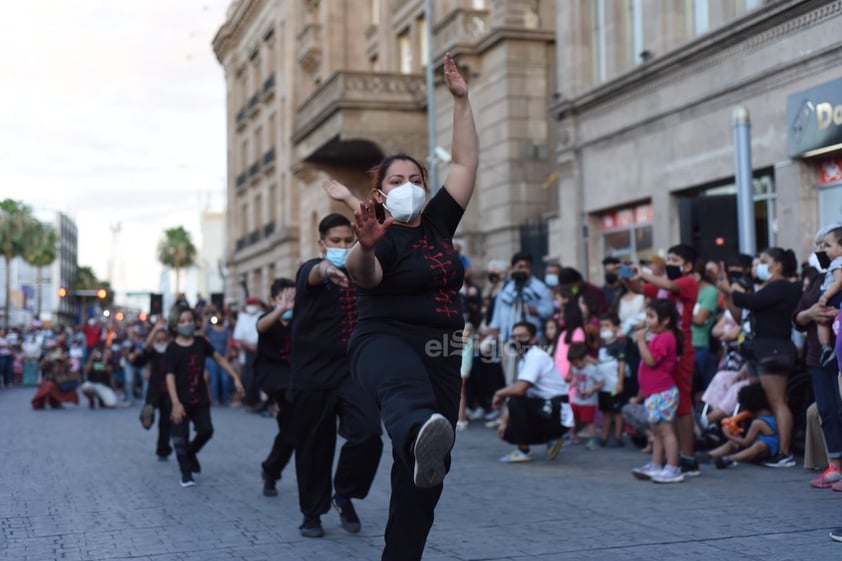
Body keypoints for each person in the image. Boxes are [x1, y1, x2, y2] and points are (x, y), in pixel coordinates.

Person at [343, 52, 478, 561]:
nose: (409, 188)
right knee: (406, 394)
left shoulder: (439, 221)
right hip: (383, 342)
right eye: (396, 182)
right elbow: (365, 275)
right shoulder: (379, 235)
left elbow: (464, 163)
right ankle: (418, 429)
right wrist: (367, 244)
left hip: (442, 349)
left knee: (427, 479)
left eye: (416, 179)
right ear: (380, 192)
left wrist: (461, 101)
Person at [290, 212, 383, 538]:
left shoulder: (364, 274)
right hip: (312, 375)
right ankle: (311, 513)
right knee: (314, 446)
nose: (343, 246)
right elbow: (316, 272)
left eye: (348, 241)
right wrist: (328, 268)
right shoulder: (309, 271)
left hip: (353, 373)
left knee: (369, 434)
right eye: (336, 242)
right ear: (322, 244)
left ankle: (343, 493)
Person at [716, 247, 802, 468]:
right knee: (759, 400)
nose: (758, 265)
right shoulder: (765, 288)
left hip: (774, 348)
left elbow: (752, 303)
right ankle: (759, 444)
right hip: (759, 349)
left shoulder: (782, 286)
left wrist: (731, 291)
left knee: (777, 400)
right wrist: (728, 294)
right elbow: (742, 313)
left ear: (778, 266)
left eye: (763, 261)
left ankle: (784, 452)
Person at [625, 244, 700, 477]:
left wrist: (643, 272)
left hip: (681, 350)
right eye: (667, 259)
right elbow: (640, 288)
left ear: (687, 266)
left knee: (683, 406)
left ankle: (686, 458)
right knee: (668, 410)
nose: (669, 263)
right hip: (664, 347)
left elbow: (668, 284)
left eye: (675, 259)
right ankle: (667, 459)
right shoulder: (660, 285)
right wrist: (628, 276)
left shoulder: (688, 282)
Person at [164, 306, 243, 487]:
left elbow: (219, 358)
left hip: (200, 398)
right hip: (179, 400)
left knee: (206, 430)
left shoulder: (201, 342)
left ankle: (190, 454)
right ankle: (186, 473)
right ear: (175, 325)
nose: (187, 324)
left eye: (190, 320)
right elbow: (169, 376)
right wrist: (175, 403)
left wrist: (235, 376)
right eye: (182, 321)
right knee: (180, 438)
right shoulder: (172, 349)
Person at [794, 230, 842, 488]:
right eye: (819, 245)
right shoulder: (817, 280)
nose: (821, 250)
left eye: (827, 245)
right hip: (819, 356)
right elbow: (798, 316)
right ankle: (835, 466)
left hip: (840, 353)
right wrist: (812, 314)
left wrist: (834, 314)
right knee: (827, 410)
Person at [492, 321, 572, 462]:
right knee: (511, 412)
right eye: (514, 337)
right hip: (548, 408)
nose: (517, 340)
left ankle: (524, 450)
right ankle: (552, 439)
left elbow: (520, 389)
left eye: (522, 336)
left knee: (516, 401)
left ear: (534, 338)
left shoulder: (536, 357)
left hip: (555, 410)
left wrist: (498, 394)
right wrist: (504, 421)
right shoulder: (526, 358)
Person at [630, 298, 684, 484]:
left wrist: (641, 342)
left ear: (666, 319)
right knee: (657, 430)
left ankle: (673, 467)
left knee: (666, 430)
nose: (647, 321)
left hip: (663, 392)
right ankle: (656, 463)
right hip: (654, 393)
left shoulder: (666, 337)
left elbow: (651, 361)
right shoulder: (659, 337)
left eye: (651, 316)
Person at [255, 278, 296, 498]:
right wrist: (281, 310)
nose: (289, 303)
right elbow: (261, 326)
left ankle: (270, 470)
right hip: (274, 375)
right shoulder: (268, 319)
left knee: (291, 435)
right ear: (272, 301)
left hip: (296, 378)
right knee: (291, 430)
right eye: (283, 299)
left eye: (292, 299)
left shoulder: (300, 319)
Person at [704, 383, 779, 470]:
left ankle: (731, 459)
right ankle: (710, 455)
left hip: (766, 451)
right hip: (756, 445)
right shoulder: (773, 415)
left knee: (759, 446)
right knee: (734, 443)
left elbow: (746, 442)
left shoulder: (758, 423)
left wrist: (728, 435)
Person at [139, 319, 173, 461]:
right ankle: (147, 419)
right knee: (149, 409)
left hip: (169, 389)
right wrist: (155, 329)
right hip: (154, 387)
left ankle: (163, 450)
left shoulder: (172, 350)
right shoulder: (153, 352)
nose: (160, 341)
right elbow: (147, 346)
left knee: (166, 422)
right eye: (157, 339)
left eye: (163, 339)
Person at [596, 313, 627, 447]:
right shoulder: (602, 346)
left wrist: (620, 382)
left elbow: (621, 364)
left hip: (614, 385)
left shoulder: (619, 346)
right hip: (603, 386)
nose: (603, 328)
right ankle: (605, 436)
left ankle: (618, 437)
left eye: (607, 325)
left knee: (617, 411)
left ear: (615, 327)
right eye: (602, 325)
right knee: (606, 411)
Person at [567, 342, 603, 450]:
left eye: (578, 363)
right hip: (577, 399)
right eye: (574, 363)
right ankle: (571, 435)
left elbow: (601, 382)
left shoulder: (592, 369)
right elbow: (577, 379)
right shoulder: (575, 368)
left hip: (588, 401)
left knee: (589, 421)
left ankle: (593, 439)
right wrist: (572, 385)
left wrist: (593, 389)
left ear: (585, 358)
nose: (577, 366)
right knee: (573, 417)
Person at [815, 226, 842, 366]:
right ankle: (826, 348)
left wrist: (825, 297)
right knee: (822, 321)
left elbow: (839, 281)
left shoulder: (838, 262)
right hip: (830, 296)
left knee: (824, 320)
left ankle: (828, 347)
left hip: (833, 296)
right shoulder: (834, 263)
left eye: (828, 246)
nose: (823, 249)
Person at [233, 296, 261, 409]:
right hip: (248, 351)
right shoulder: (243, 318)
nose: (251, 307)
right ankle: (250, 401)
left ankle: (260, 401)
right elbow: (238, 336)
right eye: (250, 304)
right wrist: (249, 345)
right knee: (248, 376)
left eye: (253, 304)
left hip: (261, 349)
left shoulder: (261, 316)